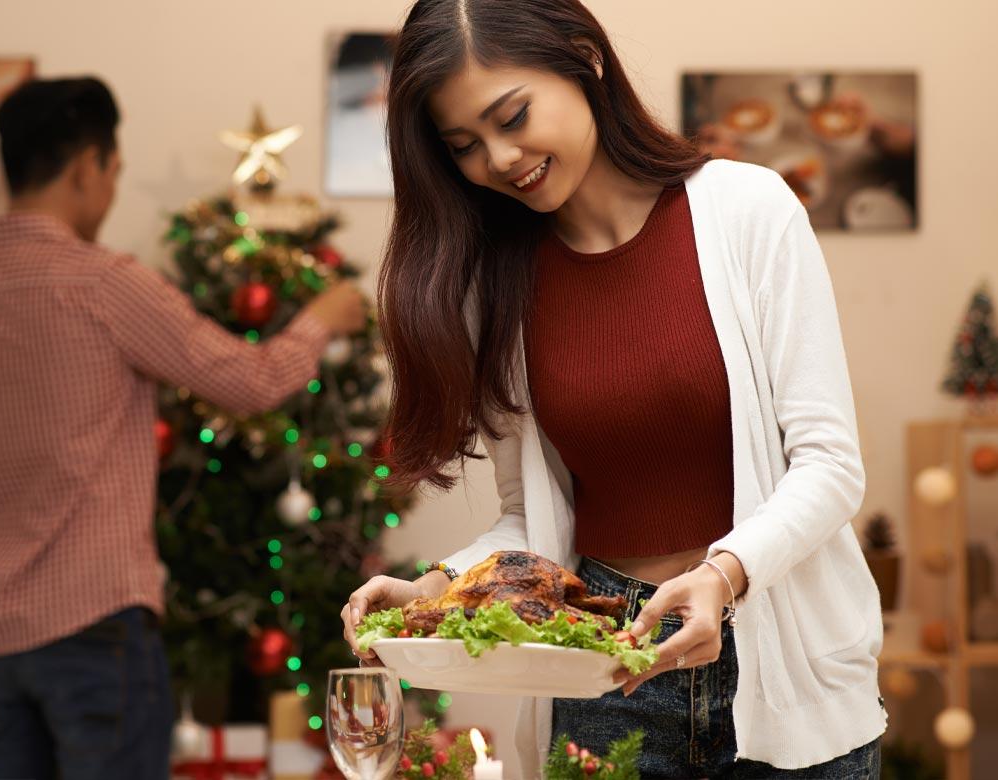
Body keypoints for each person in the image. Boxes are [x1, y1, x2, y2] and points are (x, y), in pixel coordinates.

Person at [339, 1, 884, 777]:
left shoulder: (747, 211)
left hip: (783, 666)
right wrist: (436, 588)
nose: (498, 157)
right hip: (606, 670)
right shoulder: (495, 289)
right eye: (464, 144)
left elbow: (829, 464)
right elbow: (534, 516)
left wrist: (722, 576)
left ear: (583, 58)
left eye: (513, 115)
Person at [0, 77, 365, 780]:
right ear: (89, 165)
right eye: (113, 171)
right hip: (96, 628)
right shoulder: (103, 284)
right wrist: (320, 321)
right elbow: (252, 383)